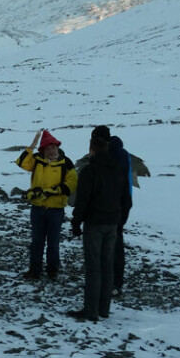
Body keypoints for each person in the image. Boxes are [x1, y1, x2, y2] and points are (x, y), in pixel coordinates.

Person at [68, 126, 131, 322]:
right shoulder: (119, 169)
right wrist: (120, 220)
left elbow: (83, 200)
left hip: (95, 223)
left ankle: (91, 310)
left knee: (94, 267)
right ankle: (104, 308)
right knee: (107, 266)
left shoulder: (90, 170)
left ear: (92, 148)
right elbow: (126, 198)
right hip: (112, 221)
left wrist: (76, 223)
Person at [15, 129, 78, 280]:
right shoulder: (37, 160)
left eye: (54, 147)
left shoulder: (66, 163)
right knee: (37, 241)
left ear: (57, 148)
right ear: (43, 150)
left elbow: (71, 184)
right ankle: (34, 270)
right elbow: (22, 162)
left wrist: (50, 192)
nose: (51, 151)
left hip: (56, 209)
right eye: (48, 148)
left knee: (53, 242)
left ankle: (52, 270)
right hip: (37, 207)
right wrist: (32, 145)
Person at [108, 135, 132, 296]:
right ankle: (117, 281)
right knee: (117, 242)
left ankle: (113, 282)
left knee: (112, 245)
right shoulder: (125, 155)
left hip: (113, 207)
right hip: (125, 203)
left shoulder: (112, 157)